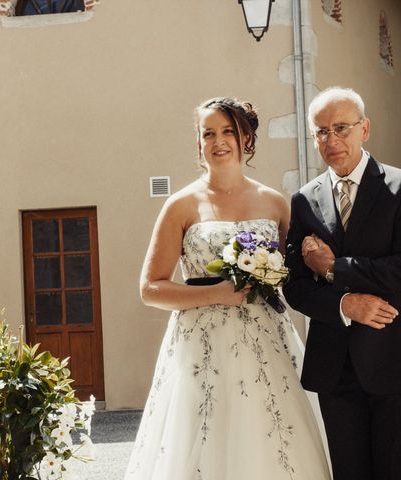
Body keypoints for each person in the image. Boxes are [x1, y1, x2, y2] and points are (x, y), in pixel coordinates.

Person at [125, 97, 330, 479]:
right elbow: (150, 288)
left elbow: (297, 277)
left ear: (245, 138)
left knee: (268, 433)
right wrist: (217, 293)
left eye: (227, 132)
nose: (218, 141)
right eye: (208, 133)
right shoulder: (181, 204)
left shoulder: (275, 203)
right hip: (199, 345)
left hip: (268, 341)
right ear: (198, 143)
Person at [283, 87, 401, 480]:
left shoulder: (399, 189)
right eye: (321, 132)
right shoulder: (303, 200)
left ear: (364, 129)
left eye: (341, 128)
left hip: (392, 358)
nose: (331, 141)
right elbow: (295, 285)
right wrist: (344, 305)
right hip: (334, 367)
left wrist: (337, 268)